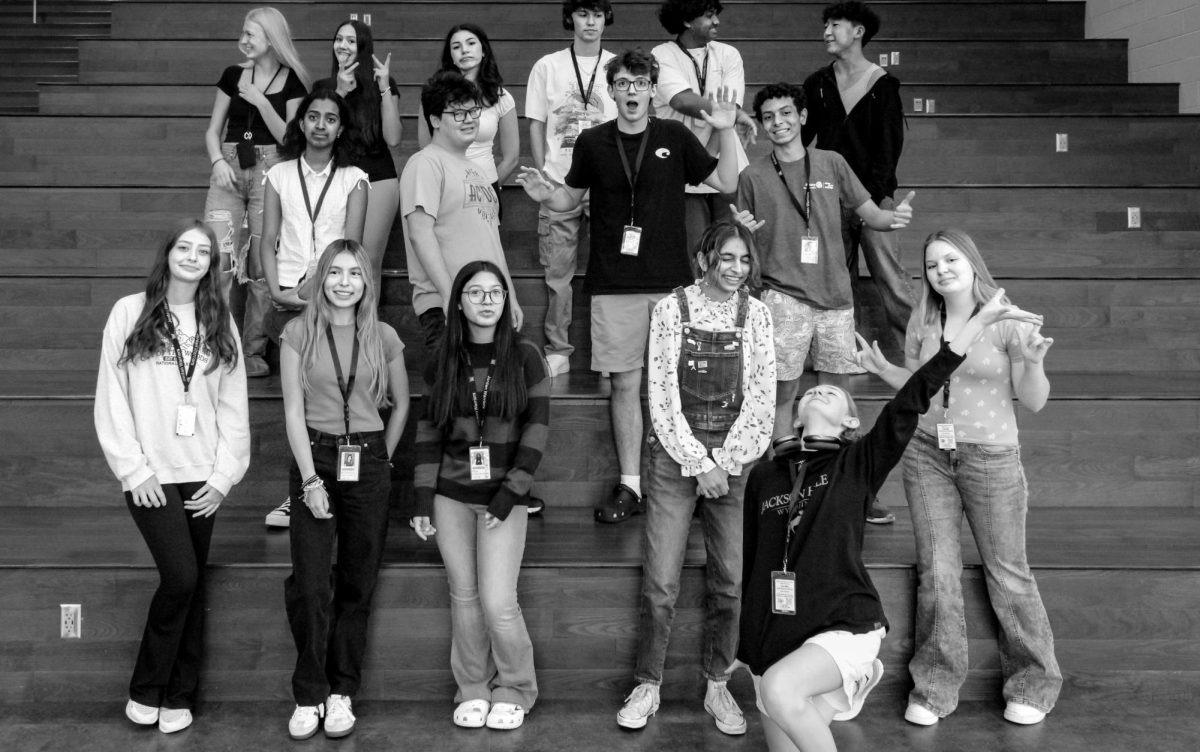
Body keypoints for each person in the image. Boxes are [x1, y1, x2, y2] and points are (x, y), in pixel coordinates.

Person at [738, 285, 1042, 752]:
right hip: (780, 631)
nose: (820, 389)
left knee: (780, 689)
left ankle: (844, 677)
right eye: (812, 390)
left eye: (835, 394)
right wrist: (748, 650)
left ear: (849, 423)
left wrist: (975, 329)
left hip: (844, 624)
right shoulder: (764, 476)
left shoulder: (857, 462)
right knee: (778, 725)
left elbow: (912, 399)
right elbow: (755, 565)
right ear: (796, 417)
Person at [517, 49, 742, 524]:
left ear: (651, 90)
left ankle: (693, 475)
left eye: (641, 84)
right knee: (625, 385)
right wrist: (547, 195)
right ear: (612, 90)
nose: (632, 92)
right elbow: (568, 198)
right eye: (623, 84)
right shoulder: (593, 141)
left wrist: (724, 127)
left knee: (683, 385)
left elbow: (725, 180)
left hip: (672, 284)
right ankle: (630, 485)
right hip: (613, 283)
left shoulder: (675, 135)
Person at [856, 229, 1062, 727]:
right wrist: (883, 368)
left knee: (1008, 571)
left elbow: (1033, 400)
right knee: (937, 571)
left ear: (972, 262)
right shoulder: (923, 320)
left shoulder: (1010, 319)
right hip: (927, 455)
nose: (942, 270)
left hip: (992, 458)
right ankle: (933, 687)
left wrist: (1033, 363)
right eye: (931, 265)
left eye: (951, 259)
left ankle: (1034, 683)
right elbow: (920, 388)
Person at [617, 221, 775, 734]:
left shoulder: (757, 314)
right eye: (726, 258)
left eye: (744, 260)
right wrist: (699, 463)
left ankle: (718, 683)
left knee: (730, 581)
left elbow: (762, 399)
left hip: (735, 459)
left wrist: (726, 462)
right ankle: (647, 684)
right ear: (705, 258)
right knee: (661, 581)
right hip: (674, 458)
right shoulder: (670, 310)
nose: (736, 269)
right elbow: (660, 396)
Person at [733, 81, 914, 525]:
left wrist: (895, 220)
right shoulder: (752, 177)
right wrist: (740, 228)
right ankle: (781, 483)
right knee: (782, 395)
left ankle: (844, 486)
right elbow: (741, 242)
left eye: (786, 114)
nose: (778, 123)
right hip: (783, 297)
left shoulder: (832, 162)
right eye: (769, 117)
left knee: (836, 401)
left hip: (836, 299)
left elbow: (870, 215)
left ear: (803, 117)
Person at [95, 219, 250, 735]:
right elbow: (111, 399)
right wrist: (133, 469)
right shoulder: (128, 312)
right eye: (184, 247)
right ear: (167, 254)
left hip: (203, 477)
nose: (192, 256)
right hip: (151, 477)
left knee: (192, 582)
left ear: (212, 263)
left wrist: (225, 476)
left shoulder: (219, 320)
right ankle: (147, 687)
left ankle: (180, 695)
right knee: (181, 577)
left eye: (203, 251)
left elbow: (233, 406)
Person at [280, 240, 409, 740]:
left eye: (354, 274)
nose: (343, 282)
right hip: (316, 457)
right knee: (311, 585)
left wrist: (383, 458)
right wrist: (310, 479)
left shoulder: (384, 335)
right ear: (320, 279)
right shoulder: (297, 332)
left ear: (366, 283)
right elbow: (292, 411)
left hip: (368, 461)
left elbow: (399, 404)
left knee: (356, 585)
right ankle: (309, 692)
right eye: (334, 272)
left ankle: (341, 692)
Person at [413, 261, 550, 731]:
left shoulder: (527, 356)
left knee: (497, 601)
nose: (487, 300)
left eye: (495, 292)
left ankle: (514, 687)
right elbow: (429, 433)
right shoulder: (441, 361)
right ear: (459, 302)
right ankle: (472, 687)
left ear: (506, 301)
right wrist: (422, 499)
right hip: (451, 495)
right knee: (464, 597)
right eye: (475, 292)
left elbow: (537, 431)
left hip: (503, 498)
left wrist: (511, 493)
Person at [261, 89, 369, 529]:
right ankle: (302, 487)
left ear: (341, 128)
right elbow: (267, 241)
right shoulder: (278, 174)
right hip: (287, 295)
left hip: (334, 297)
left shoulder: (355, 178)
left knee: (328, 393)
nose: (321, 124)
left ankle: (332, 485)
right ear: (301, 124)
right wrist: (277, 290)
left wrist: (317, 289)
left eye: (330, 118)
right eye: (313, 117)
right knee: (298, 398)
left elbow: (353, 248)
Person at [802, 2, 913, 364]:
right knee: (840, 283)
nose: (826, 33)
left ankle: (923, 357)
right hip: (829, 199)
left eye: (835, 25)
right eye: (825, 26)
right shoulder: (816, 83)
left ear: (859, 31)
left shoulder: (883, 85)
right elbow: (803, 139)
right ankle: (847, 357)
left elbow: (888, 148)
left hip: (874, 200)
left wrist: (875, 201)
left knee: (893, 283)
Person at [203, 7, 309, 379]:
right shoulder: (232, 75)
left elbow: (291, 138)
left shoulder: (292, 80)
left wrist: (260, 100)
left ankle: (253, 350)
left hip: (273, 170)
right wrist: (217, 161)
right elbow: (212, 131)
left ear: (271, 39)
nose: (244, 40)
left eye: (252, 34)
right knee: (219, 257)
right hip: (230, 167)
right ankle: (218, 345)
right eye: (244, 33)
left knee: (263, 265)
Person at [525, 0, 618, 377]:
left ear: (606, 18)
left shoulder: (617, 67)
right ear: (571, 19)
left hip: (608, 185)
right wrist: (546, 177)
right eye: (583, 14)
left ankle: (611, 353)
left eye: (597, 14)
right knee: (558, 275)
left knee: (612, 273)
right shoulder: (547, 66)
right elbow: (535, 124)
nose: (590, 21)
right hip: (560, 182)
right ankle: (558, 350)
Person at [402, 71, 523, 355]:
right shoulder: (425, 163)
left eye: (473, 111)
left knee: (489, 396)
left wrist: (512, 297)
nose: (469, 119)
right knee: (452, 396)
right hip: (448, 305)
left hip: (487, 303)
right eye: (458, 113)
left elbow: (492, 241)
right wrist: (448, 297)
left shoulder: (479, 172)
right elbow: (420, 234)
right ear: (434, 120)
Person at [651, 0, 756, 251]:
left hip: (728, 167)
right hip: (681, 171)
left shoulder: (729, 54)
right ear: (688, 21)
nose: (717, 21)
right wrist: (728, 116)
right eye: (709, 16)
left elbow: (727, 114)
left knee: (732, 249)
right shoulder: (661, 54)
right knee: (694, 252)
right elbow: (681, 100)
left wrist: (730, 118)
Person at [314, 19, 402, 284]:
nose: (343, 45)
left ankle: (366, 327)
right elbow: (320, 135)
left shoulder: (383, 84)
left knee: (367, 263)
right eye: (339, 39)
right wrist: (339, 91)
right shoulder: (322, 88)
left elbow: (394, 138)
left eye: (351, 41)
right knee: (335, 260)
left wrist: (384, 85)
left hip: (378, 177)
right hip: (335, 177)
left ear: (363, 46)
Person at [418, 23, 519, 218]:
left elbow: (512, 157)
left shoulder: (502, 97)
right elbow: (425, 148)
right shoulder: (434, 95)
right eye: (456, 47)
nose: (464, 50)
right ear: (452, 58)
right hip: (445, 188)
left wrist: (489, 188)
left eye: (471, 43)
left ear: (483, 51)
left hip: (486, 186)